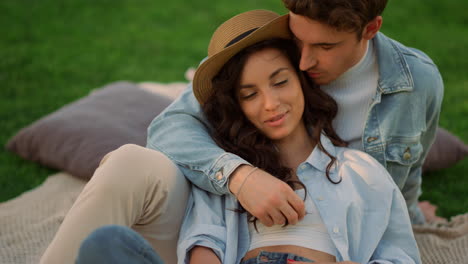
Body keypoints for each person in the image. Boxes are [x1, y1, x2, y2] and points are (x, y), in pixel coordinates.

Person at [41, 0, 443, 263]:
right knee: (111, 219)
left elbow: (399, 193)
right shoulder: (265, 56)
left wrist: (410, 214)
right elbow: (170, 129)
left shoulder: (410, 89)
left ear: (370, 29)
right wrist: (238, 175)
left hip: (335, 235)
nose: (305, 60)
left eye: (323, 46)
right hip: (235, 219)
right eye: (298, 39)